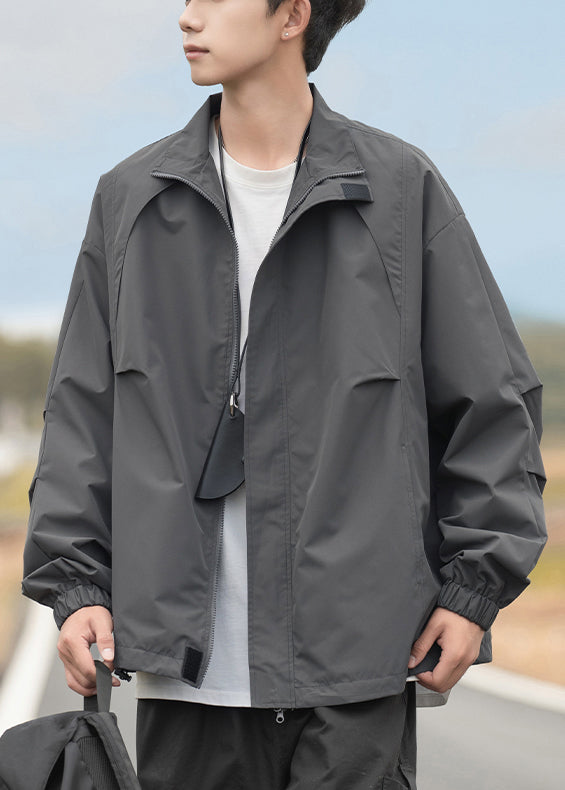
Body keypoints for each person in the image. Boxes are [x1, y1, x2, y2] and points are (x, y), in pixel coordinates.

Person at [22, 1, 548, 788]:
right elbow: (82, 415)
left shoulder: (399, 192)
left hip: (357, 670)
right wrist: (77, 584)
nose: (187, 17)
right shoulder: (130, 199)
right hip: (184, 675)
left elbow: (490, 404)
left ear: (293, 14)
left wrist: (474, 588)